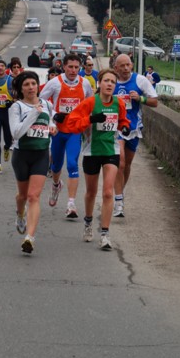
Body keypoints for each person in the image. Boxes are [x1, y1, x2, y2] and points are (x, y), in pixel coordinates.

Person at [66, 69, 130, 250]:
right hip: (91, 152)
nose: (110, 84)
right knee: (91, 192)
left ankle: (105, 233)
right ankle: (88, 222)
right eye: (106, 81)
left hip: (111, 150)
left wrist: (124, 127)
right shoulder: (89, 103)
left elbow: (123, 121)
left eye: (113, 82)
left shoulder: (118, 103)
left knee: (108, 192)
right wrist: (91, 119)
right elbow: (72, 124)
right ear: (99, 83)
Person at [9, 71, 57, 254]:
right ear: (21, 89)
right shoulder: (17, 108)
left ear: (38, 86)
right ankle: (20, 214)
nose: (31, 87)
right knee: (22, 196)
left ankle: (29, 237)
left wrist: (53, 128)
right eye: (27, 84)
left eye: (33, 84)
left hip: (41, 154)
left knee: (33, 196)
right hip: (21, 155)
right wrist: (32, 116)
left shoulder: (47, 104)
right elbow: (16, 133)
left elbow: (51, 122)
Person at [40, 53, 93, 218]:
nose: (73, 70)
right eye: (70, 67)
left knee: (72, 164)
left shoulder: (84, 83)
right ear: (64, 67)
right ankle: (56, 185)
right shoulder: (55, 83)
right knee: (56, 166)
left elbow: (90, 104)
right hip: (57, 131)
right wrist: (54, 115)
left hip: (74, 132)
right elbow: (40, 102)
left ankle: (71, 204)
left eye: (77, 67)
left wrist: (87, 123)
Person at [113, 54, 158, 217]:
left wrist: (140, 98)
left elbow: (155, 101)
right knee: (121, 162)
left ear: (132, 66)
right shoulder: (111, 80)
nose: (125, 68)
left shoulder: (140, 80)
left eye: (128, 65)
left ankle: (120, 192)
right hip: (115, 128)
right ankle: (118, 201)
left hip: (133, 128)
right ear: (116, 68)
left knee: (128, 164)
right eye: (122, 66)